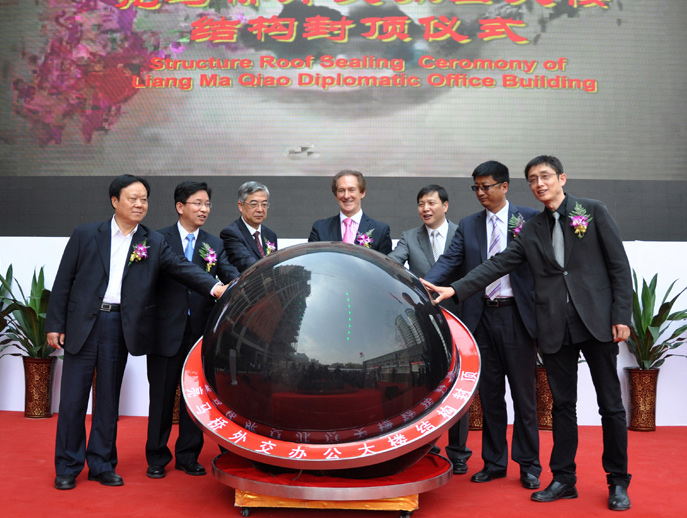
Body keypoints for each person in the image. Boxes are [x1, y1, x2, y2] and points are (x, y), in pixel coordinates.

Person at [422, 156, 632, 511]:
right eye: (533, 179)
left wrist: (621, 315)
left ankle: (618, 481)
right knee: (562, 406)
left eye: (545, 176)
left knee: (610, 406)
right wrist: (455, 289)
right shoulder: (531, 228)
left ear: (562, 178)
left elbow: (618, 266)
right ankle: (563, 478)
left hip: (596, 323)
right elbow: (497, 265)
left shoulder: (593, 211)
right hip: (554, 327)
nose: (539, 184)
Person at [46, 175, 228, 490]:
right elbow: (64, 280)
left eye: (144, 199)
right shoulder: (86, 234)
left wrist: (215, 287)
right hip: (83, 325)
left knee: (108, 400)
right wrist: (54, 324)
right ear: (115, 201)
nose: (140, 204)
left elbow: (183, 269)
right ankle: (68, 466)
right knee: (73, 400)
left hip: (119, 326)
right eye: (133, 198)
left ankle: (102, 464)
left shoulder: (152, 241)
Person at [424, 162, 541, 489]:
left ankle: (529, 465)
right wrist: (424, 285)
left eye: (486, 186)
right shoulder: (469, 224)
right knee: (490, 396)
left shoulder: (529, 219)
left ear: (504, 186)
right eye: (476, 187)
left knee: (524, 397)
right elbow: (449, 261)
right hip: (481, 317)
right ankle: (494, 462)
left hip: (517, 317)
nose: (480, 193)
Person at [145, 182, 239, 480]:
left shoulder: (214, 243)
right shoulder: (157, 239)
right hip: (164, 331)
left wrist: (242, 283)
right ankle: (156, 456)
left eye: (207, 204)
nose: (204, 209)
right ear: (180, 206)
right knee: (161, 397)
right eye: (197, 203)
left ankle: (188, 455)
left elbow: (228, 273)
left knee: (193, 397)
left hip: (199, 333)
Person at [388, 184, 472, 475]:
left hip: (461, 320)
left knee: (459, 387)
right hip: (426, 323)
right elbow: (393, 263)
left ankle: (458, 452)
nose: (426, 208)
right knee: (427, 386)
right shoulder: (410, 237)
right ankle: (427, 445)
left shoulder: (463, 233)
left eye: (431, 203)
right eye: (421, 204)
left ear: (445, 206)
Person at [308, 170, 392, 254]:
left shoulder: (380, 230)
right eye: (341, 190)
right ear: (336, 195)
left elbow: (385, 262)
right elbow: (312, 259)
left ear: (362, 193)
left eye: (351, 190)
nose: (346, 196)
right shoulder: (320, 228)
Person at [220, 181, 278, 274]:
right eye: (254, 204)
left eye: (264, 204)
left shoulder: (270, 235)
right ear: (241, 206)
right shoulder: (231, 233)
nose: (260, 209)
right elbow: (246, 263)